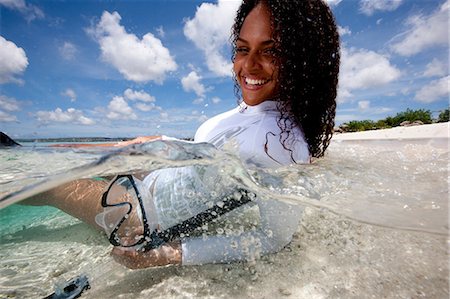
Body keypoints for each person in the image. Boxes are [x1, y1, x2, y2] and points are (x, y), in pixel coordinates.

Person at [26, 0, 340, 269]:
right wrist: (159, 143)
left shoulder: (277, 143)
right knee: (93, 164)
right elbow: (213, 152)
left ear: (303, 59)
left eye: (270, 51)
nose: (249, 65)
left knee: (52, 184)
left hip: (143, 215)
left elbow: (273, 238)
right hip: (153, 182)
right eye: (243, 49)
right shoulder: (261, 113)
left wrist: (170, 253)